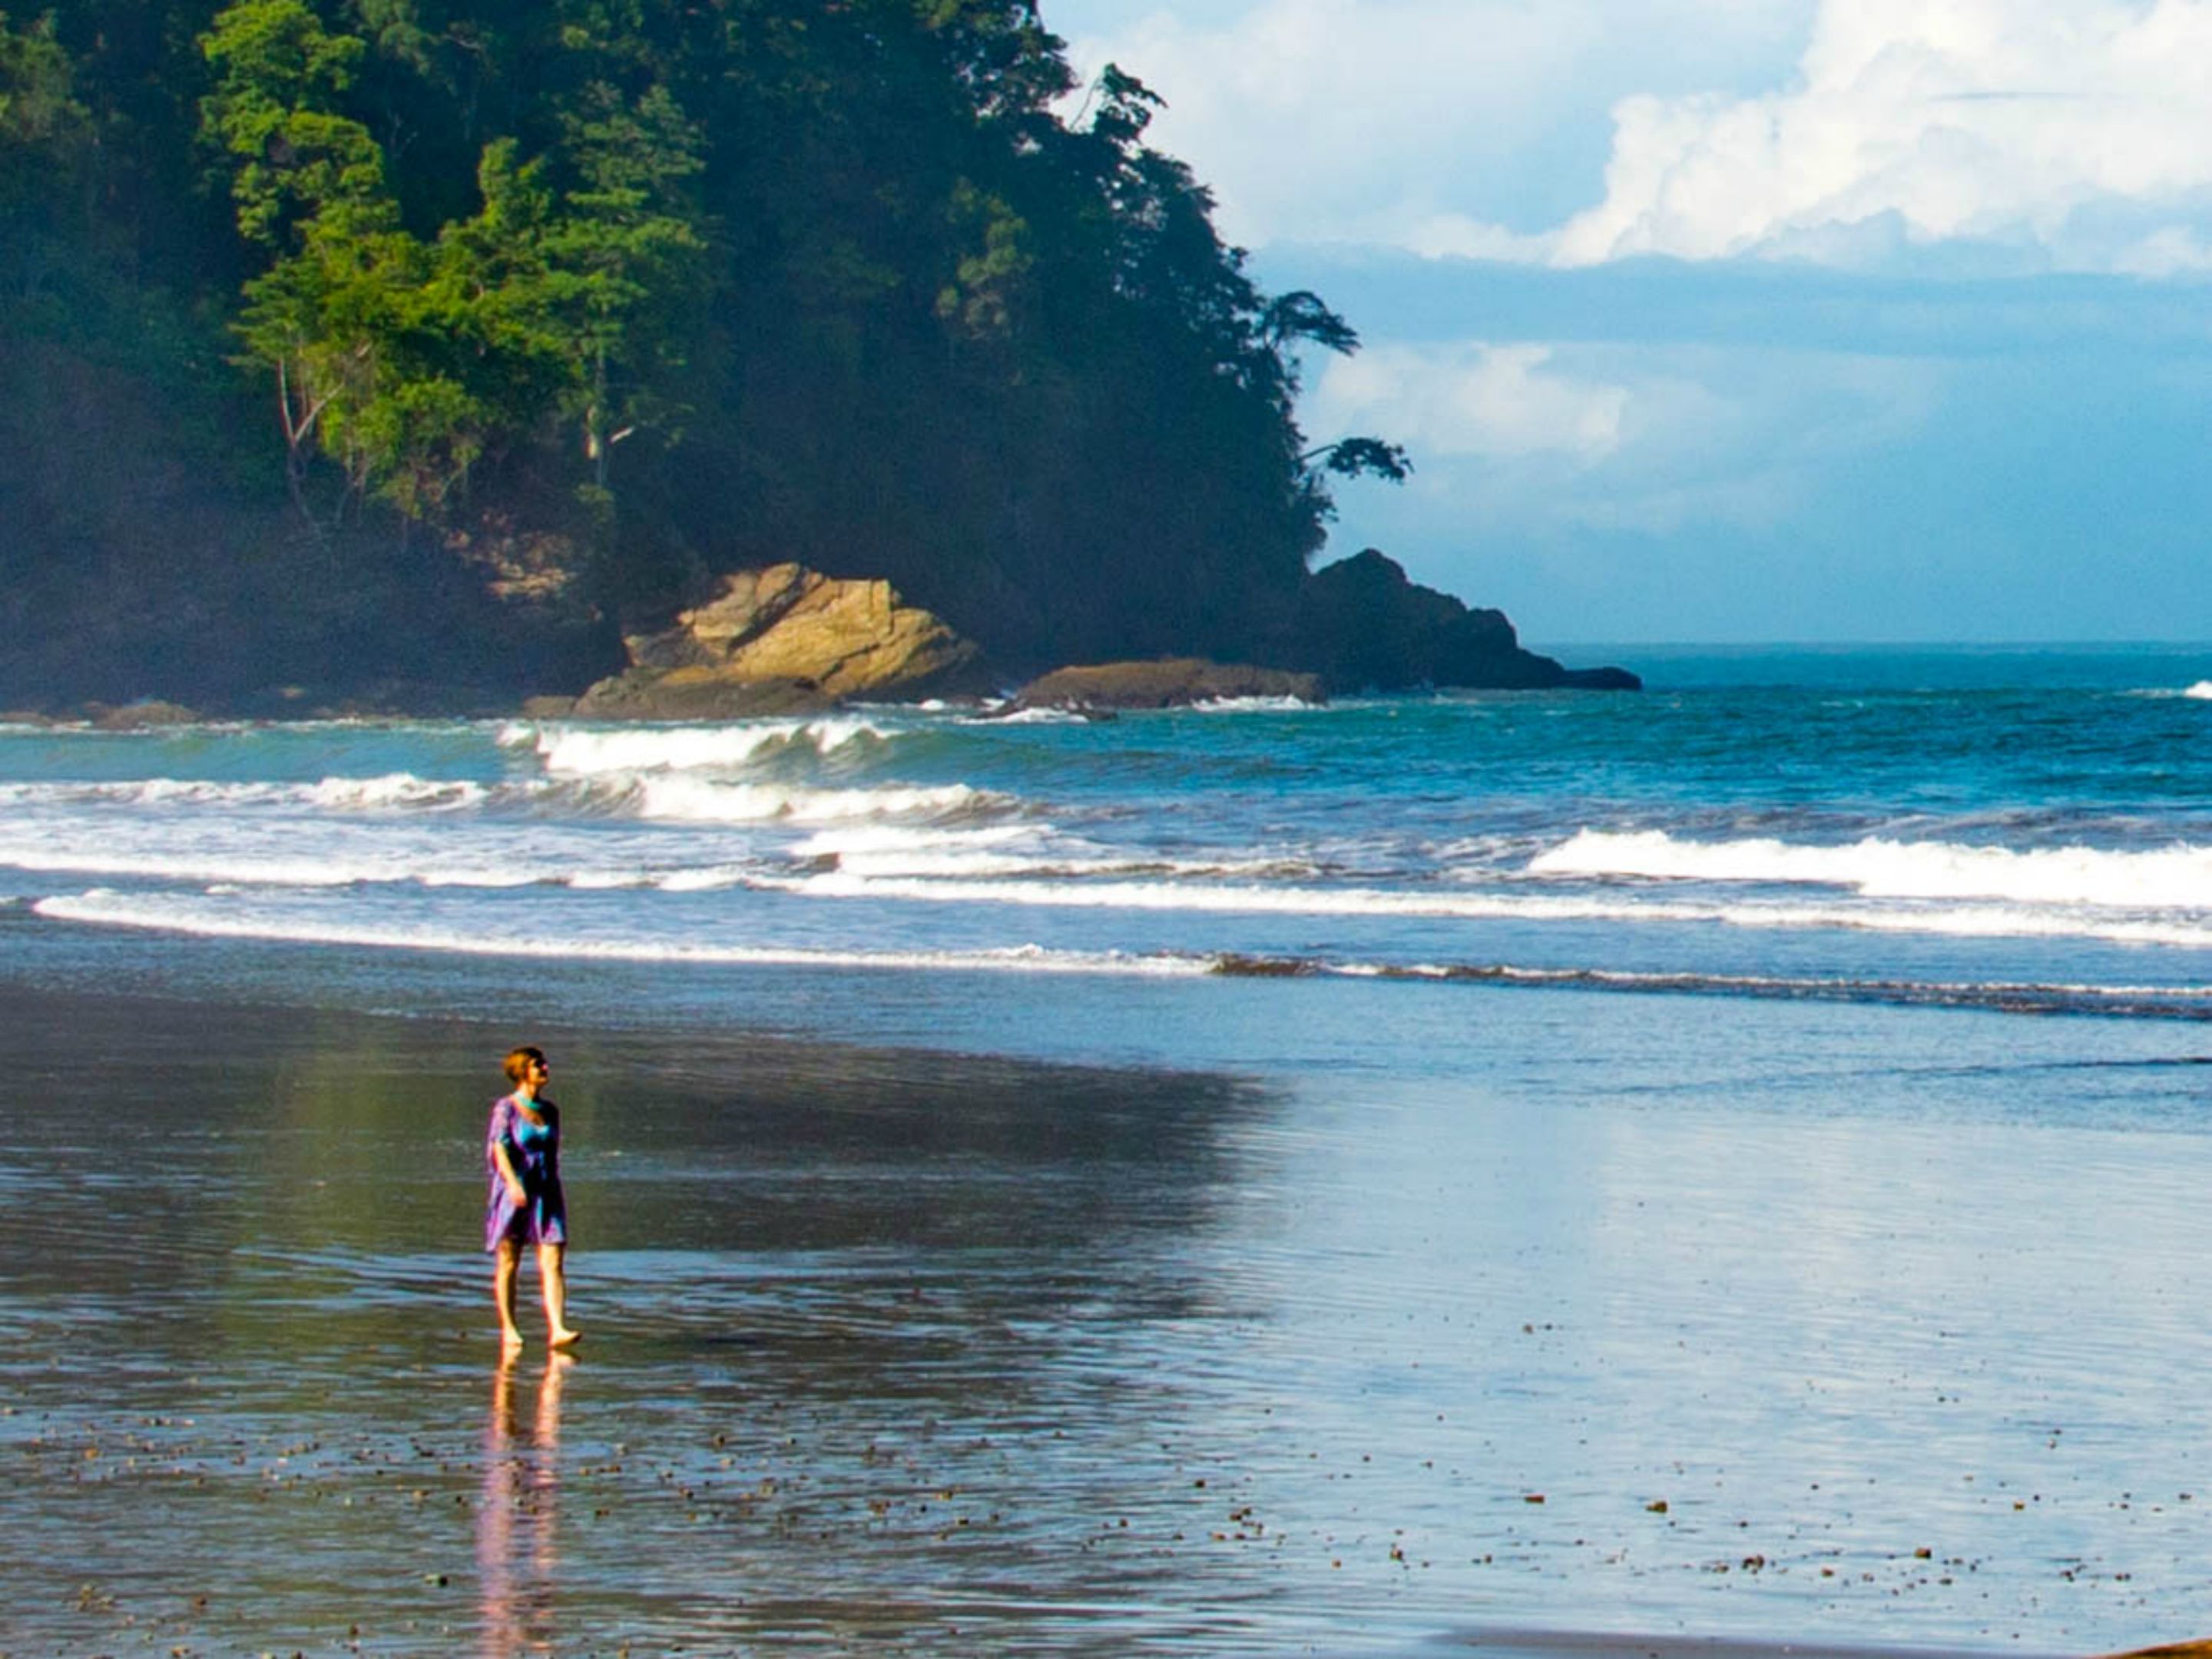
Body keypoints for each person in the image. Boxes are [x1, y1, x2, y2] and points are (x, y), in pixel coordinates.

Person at [485, 1046, 580, 1353]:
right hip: (515, 1190)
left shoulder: (551, 1111)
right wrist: (513, 1185)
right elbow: (499, 1148)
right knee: (510, 1259)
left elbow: (552, 1153)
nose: (545, 1068)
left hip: (547, 1190)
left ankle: (557, 1328)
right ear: (523, 1070)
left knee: (553, 1258)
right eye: (538, 1064)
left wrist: (552, 1188)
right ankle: (510, 1328)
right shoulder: (506, 1108)